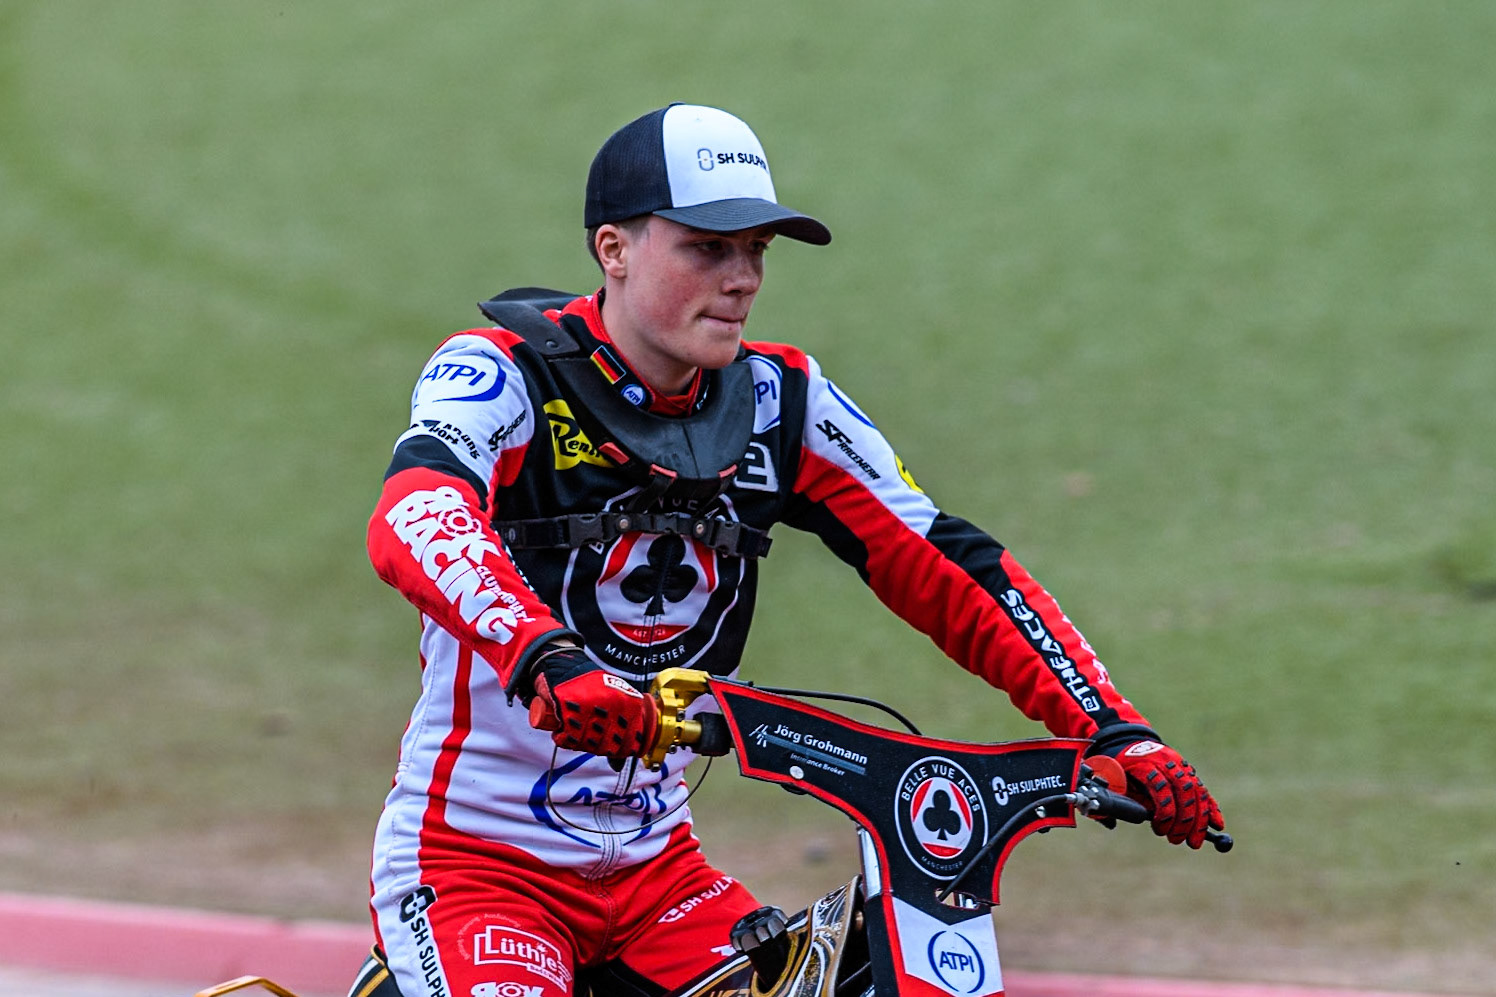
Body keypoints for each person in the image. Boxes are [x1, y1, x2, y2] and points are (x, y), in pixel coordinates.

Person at [359, 103, 1224, 997]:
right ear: (613, 249)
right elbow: (418, 515)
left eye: (757, 250)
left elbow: (944, 562)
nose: (742, 279)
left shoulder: (784, 400)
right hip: (475, 869)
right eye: (706, 247)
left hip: (661, 880)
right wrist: (546, 657)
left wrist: (1115, 726)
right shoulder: (502, 371)